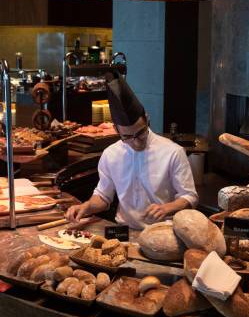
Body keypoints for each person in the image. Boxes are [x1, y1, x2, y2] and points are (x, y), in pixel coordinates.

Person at [65, 69, 198, 230]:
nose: (135, 142)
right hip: (123, 231)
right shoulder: (110, 155)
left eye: (140, 133)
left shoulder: (173, 152)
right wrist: (85, 207)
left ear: (147, 120)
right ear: (116, 129)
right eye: (127, 137)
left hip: (163, 233)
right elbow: (103, 196)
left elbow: (189, 196)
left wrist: (167, 208)